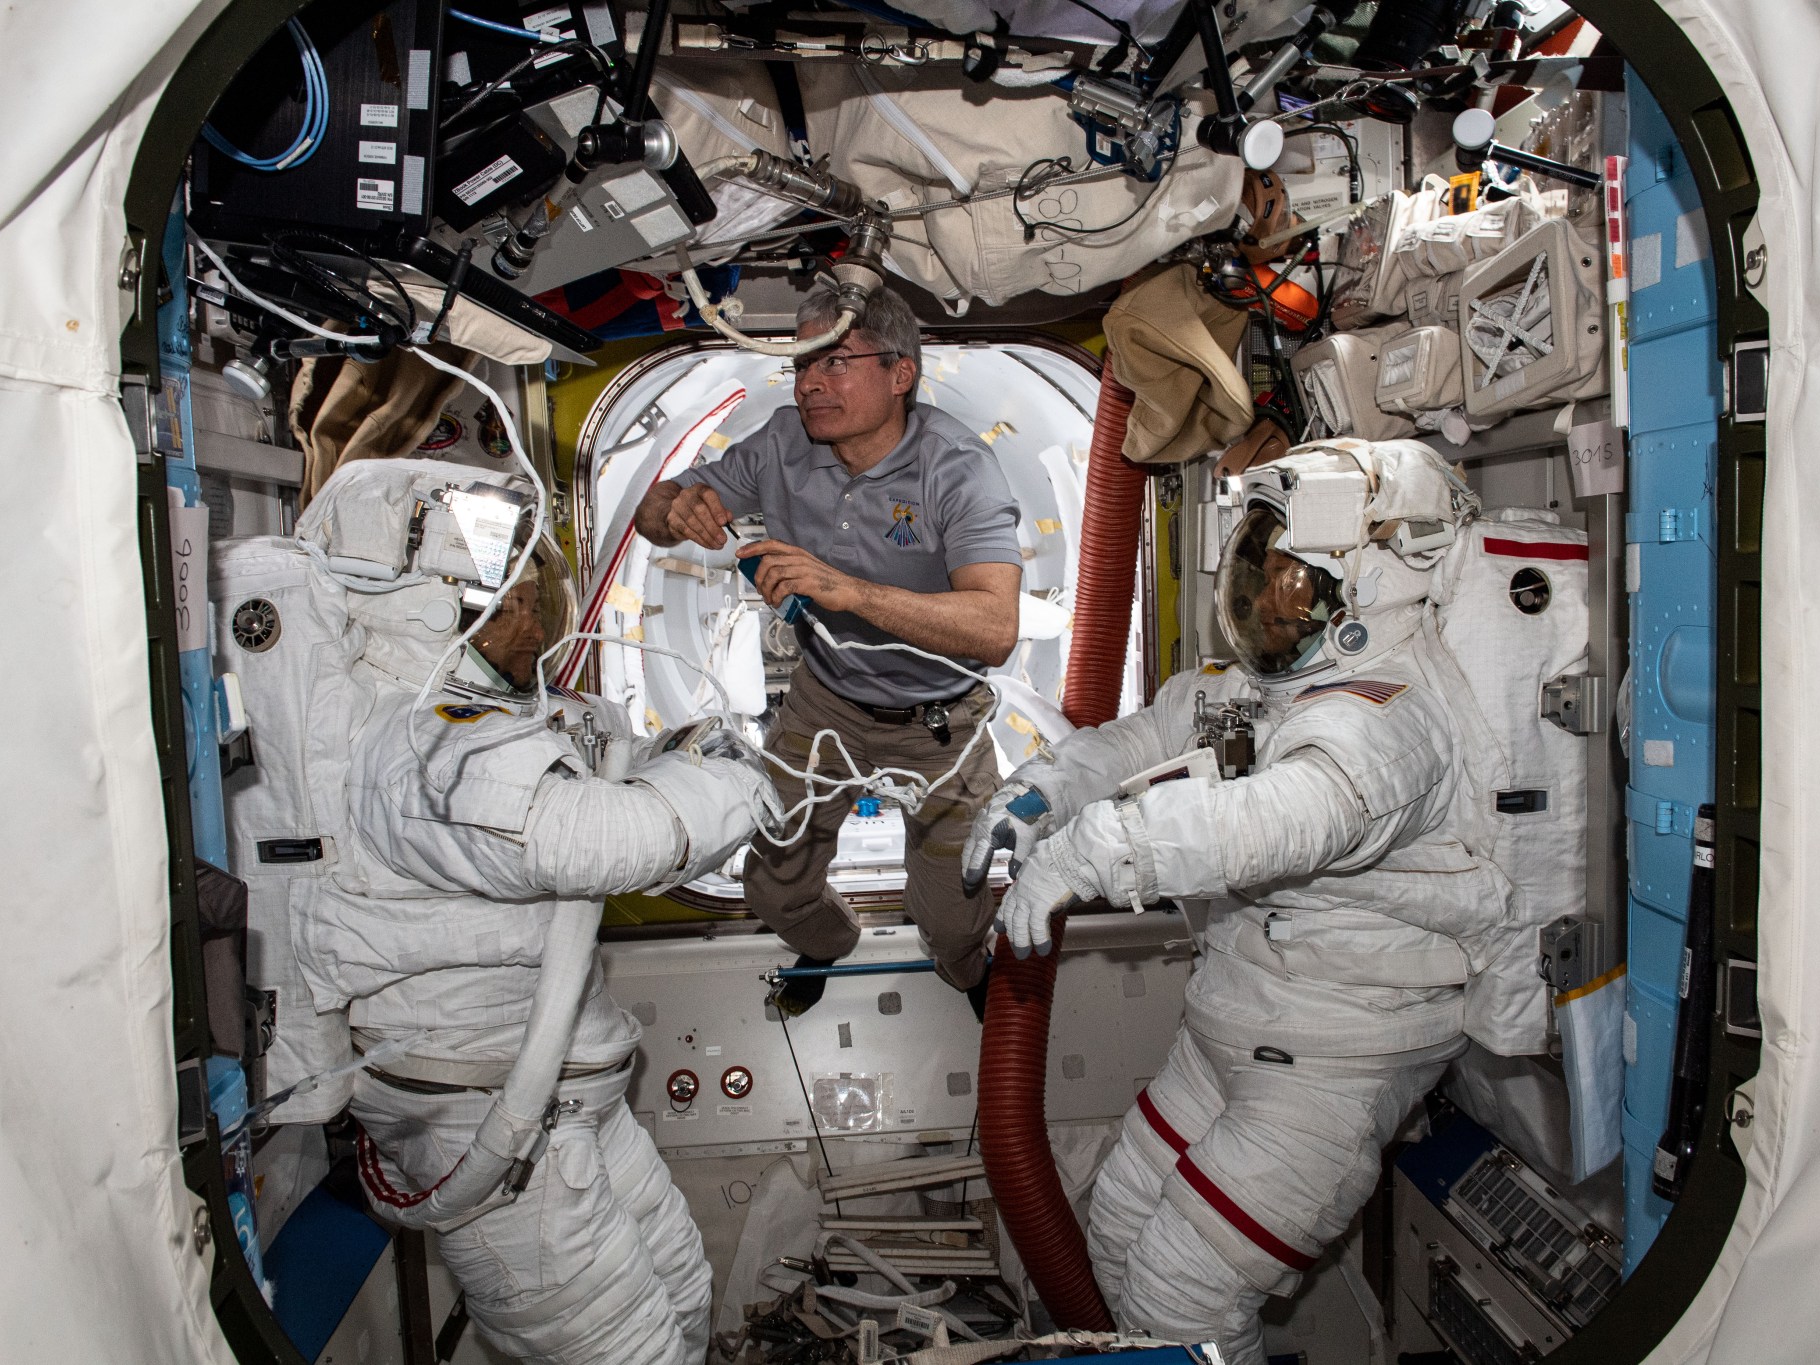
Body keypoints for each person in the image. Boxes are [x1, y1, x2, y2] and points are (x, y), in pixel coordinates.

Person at [965, 440, 1540, 1364]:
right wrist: (1036, 798)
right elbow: (1145, 736)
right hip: (1231, 1025)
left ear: (1376, 587)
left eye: (1298, 579)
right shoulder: (1270, 691)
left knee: (1180, 1295)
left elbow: (1283, 819)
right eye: (1263, 569)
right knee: (1112, 1230)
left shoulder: (1391, 716)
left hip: (1334, 1056)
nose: (1272, 598)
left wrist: (1094, 849)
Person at [294, 460, 775, 1364]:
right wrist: (747, 782)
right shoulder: (412, 742)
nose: (531, 617)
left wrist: (686, 748)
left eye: (531, 589)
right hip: (489, 1118)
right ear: (428, 607)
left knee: (683, 1291)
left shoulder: (493, 722)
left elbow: (601, 750)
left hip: (557, 1100)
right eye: (505, 596)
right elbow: (580, 835)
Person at [634, 285, 1023, 1018]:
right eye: (802, 363)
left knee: (950, 912)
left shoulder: (957, 467)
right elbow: (655, 511)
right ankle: (826, 941)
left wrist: (851, 592)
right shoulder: (781, 444)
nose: (809, 381)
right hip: (826, 699)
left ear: (901, 373)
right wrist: (670, 507)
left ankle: (967, 969)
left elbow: (995, 626)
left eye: (835, 363)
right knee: (772, 882)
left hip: (940, 724)